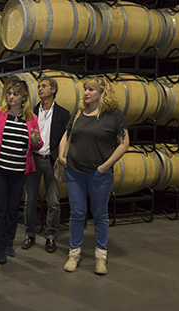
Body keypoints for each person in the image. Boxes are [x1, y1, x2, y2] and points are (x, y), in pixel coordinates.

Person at [58, 75, 129, 275]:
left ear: (102, 93)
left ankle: (100, 257)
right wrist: (62, 156)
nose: (86, 93)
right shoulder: (80, 112)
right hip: (74, 171)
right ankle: (74, 254)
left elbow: (124, 143)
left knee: (100, 215)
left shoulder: (114, 115)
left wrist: (105, 166)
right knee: (77, 213)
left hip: (99, 174)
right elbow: (67, 135)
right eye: (86, 89)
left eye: (91, 89)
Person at [0, 78, 42, 264]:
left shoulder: (31, 119)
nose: (11, 97)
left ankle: (8, 242)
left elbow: (37, 145)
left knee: (13, 209)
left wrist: (36, 141)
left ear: (24, 98)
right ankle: (0, 248)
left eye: (15, 94)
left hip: (19, 170)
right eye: (9, 93)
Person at [23, 77, 71, 253]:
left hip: (51, 160)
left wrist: (60, 156)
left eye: (43, 86)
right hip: (34, 159)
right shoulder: (31, 112)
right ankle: (29, 233)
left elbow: (66, 138)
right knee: (29, 200)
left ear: (53, 90)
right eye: (39, 86)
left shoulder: (63, 114)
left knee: (54, 202)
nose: (40, 89)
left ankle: (50, 236)